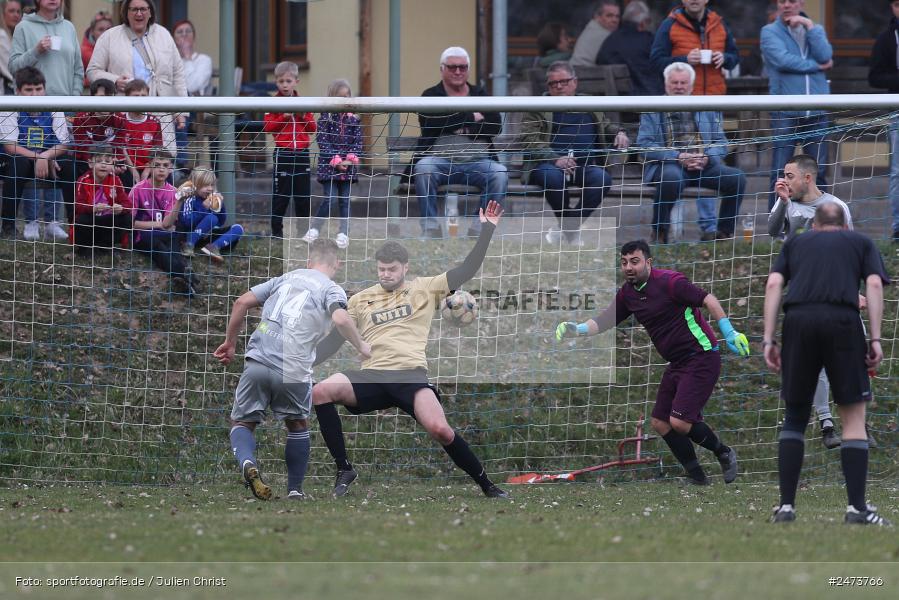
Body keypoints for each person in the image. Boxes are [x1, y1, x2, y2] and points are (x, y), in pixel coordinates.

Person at [311, 200, 510, 499]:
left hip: (410, 377)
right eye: (381, 269)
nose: (386, 274)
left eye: (392, 269)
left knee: (441, 430)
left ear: (406, 267)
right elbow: (333, 341)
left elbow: (467, 269)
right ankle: (344, 468)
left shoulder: (425, 288)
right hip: (373, 375)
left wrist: (487, 231)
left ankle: (487, 485)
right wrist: (300, 362)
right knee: (320, 392)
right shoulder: (360, 300)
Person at [556, 239, 748, 485]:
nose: (628, 267)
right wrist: (577, 329)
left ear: (648, 262)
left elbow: (709, 299)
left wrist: (729, 332)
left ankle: (724, 452)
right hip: (677, 363)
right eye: (624, 262)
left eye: (634, 261)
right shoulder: (628, 294)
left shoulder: (670, 282)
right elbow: (605, 320)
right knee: (660, 422)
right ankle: (698, 479)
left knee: (680, 422)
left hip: (701, 356)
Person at [214, 238, 371, 501]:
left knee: (242, 422)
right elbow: (341, 318)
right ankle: (295, 490)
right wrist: (361, 345)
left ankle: (247, 462)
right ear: (337, 264)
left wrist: (230, 343)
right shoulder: (332, 289)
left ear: (309, 262)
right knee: (297, 426)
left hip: (258, 361)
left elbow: (241, 302)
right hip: (293, 369)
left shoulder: (285, 278)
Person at [763, 203, 890, 526]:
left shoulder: (796, 242)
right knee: (853, 417)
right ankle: (857, 509)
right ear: (844, 225)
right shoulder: (860, 242)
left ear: (815, 225)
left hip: (799, 321)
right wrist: (876, 338)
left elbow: (774, 284)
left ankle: (786, 507)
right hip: (843, 321)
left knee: (795, 415)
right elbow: (874, 285)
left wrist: (768, 339)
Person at [519, 61, 629, 245]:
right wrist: (555, 159)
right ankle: (571, 233)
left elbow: (606, 126)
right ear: (548, 86)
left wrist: (619, 132)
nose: (559, 86)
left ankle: (567, 228)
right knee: (553, 178)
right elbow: (529, 140)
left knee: (602, 179)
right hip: (548, 165)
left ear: (575, 82)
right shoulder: (537, 107)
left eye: (564, 81)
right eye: (553, 83)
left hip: (585, 165)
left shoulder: (589, 103)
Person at [635, 62, 746, 243]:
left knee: (737, 178)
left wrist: (707, 157)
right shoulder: (653, 108)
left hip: (703, 166)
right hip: (669, 165)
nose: (679, 87)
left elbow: (722, 142)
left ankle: (723, 233)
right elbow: (644, 145)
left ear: (691, 85)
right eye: (674, 83)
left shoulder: (705, 106)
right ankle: (660, 232)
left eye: (683, 83)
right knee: (671, 179)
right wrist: (677, 156)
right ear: (666, 84)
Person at [413, 47, 507, 238]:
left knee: (500, 174)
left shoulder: (480, 94)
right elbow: (430, 123)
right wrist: (471, 117)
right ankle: (430, 229)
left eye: (462, 67)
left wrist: (459, 125)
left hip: (478, 163)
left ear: (468, 70)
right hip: (440, 161)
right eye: (452, 67)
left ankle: (480, 230)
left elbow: (495, 126)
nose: (458, 71)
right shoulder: (431, 95)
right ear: (442, 69)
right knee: (423, 168)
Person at [86, 0, 187, 161]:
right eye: (133, 9)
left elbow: (178, 74)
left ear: (150, 12)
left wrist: (181, 110)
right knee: (126, 163)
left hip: (160, 110)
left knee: (161, 165)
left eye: (143, 9)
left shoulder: (163, 35)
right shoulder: (109, 37)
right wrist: (115, 80)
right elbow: (92, 71)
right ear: (126, 12)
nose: (139, 14)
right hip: (124, 114)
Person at [761, 0, 833, 210]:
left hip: (817, 110)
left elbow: (825, 55)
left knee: (818, 171)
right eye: (782, 1)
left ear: (801, 3)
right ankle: (777, 222)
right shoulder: (769, 31)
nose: (787, 5)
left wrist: (810, 27)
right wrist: (817, 66)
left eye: (792, 1)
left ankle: (821, 220)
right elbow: (782, 60)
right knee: (780, 172)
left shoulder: (815, 29)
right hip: (786, 111)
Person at [0, 65, 74, 239]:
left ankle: (76, 226)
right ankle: (8, 227)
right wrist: (39, 156)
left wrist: (46, 156)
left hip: (48, 160)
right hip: (16, 161)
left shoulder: (54, 106)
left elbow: (64, 144)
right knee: (18, 163)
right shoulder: (9, 107)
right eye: (29, 90)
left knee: (69, 165)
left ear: (44, 89)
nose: (35, 94)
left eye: (38, 89)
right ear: (18, 91)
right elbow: (10, 147)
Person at [303, 78, 361, 250]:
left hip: (348, 168)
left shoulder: (354, 120)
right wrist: (335, 160)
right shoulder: (325, 119)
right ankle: (314, 229)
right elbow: (323, 141)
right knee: (330, 198)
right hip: (329, 167)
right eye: (340, 96)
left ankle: (343, 233)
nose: (344, 100)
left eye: (347, 96)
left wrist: (350, 159)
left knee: (345, 201)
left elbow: (358, 141)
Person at [129, 149, 197, 296]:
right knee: (158, 244)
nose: (161, 169)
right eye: (157, 165)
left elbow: (167, 224)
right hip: (142, 236)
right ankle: (185, 274)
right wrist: (158, 224)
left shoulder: (173, 191)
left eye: (165, 165)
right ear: (149, 167)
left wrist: (179, 201)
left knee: (172, 243)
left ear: (171, 168)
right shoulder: (138, 189)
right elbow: (130, 223)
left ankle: (185, 283)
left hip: (165, 234)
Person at [263, 61, 316, 239]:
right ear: (276, 82)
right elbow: (268, 127)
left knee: (303, 196)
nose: (285, 85)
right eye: (281, 81)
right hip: (283, 153)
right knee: (281, 195)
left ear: (296, 82)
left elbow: (312, 128)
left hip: (302, 154)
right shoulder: (273, 103)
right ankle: (277, 232)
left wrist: (302, 115)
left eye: (288, 81)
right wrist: (284, 117)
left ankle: (303, 232)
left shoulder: (303, 103)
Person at [650, 0, 739, 96]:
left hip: (715, 97)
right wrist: (685, 60)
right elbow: (656, 62)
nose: (694, 0)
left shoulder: (719, 24)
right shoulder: (669, 25)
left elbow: (735, 57)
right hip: (683, 99)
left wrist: (724, 58)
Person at [867, 0, 899, 243]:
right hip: (897, 110)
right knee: (898, 172)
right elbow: (875, 77)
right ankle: (898, 228)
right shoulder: (886, 39)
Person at [8, 0, 82, 97]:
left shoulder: (69, 27)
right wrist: (36, 51)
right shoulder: (23, 27)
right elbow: (13, 68)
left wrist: (75, 97)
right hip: (35, 101)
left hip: (66, 101)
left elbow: (78, 69)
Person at [596, 0, 663, 96]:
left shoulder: (610, 41)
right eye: (648, 22)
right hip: (650, 97)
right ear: (643, 23)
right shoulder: (649, 41)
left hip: (619, 99)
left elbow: (599, 61)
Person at [176, 166, 243, 262]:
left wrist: (220, 206)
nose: (210, 189)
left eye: (212, 185)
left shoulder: (212, 199)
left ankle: (213, 247)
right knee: (212, 218)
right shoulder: (189, 199)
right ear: (194, 185)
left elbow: (221, 222)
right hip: (190, 235)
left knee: (238, 228)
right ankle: (188, 245)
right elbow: (186, 222)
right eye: (205, 185)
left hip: (207, 236)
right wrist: (203, 208)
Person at [72, 145, 131, 254]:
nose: (104, 165)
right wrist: (93, 208)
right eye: (99, 161)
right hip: (91, 220)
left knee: (127, 218)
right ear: (90, 163)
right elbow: (78, 206)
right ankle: (85, 248)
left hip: (107, 219)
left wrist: (121, 208)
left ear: (112, 163)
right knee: (81, 220)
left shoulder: (116, 180)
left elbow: (127, 204)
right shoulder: (83, 180)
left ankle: (105, 246)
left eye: (107, 161)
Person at [172, 19, 212, 176]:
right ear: (174, 39)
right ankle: (170, 163)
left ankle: (180, 164)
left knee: (180, 109)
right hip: (173, 106)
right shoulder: (171, 61)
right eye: (179, 32)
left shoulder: (203, 60)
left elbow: (194, 85)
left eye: (187, 31)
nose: (184, 35)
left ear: (194, 36)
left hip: (196, 107)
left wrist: (188, 58)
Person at [72, 78, 127, 179]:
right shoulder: (81, 118)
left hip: (110, 162)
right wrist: (100, 163)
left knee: (126, 174)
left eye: (109, 97)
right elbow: (82, 150)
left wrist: (114, 161)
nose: (105, 102)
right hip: (87, 162)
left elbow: (119, 148)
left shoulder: (120, 119)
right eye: (101, 97)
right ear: (92, 98)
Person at [120, 78, 169, 189]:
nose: (140, 99)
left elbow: (157, 149)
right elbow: (121, 148)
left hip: (149, 166)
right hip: (128, 166)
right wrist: (133, 170)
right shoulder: (120, 120)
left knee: (161, 175)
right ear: (127, 98)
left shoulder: (154, 121)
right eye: (136, 96)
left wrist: (147, 170)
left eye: (143, 96)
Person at [570, 0, 620, 68]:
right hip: (585, 72)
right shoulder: (603, 34)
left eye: (617, 16)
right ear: (597, 17)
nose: (614, 20)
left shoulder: (593, 28)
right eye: (609, 16)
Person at [79, 11, 112, 82]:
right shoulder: (82, 52)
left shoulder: (118, 49)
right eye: (100, 29)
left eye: (108, 29)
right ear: (92, 31)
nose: (105, 33)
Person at [0, 0, 22, 95]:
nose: (16, 15)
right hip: (7, 90)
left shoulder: (13, 35)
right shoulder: (2, 35)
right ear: (2, 13)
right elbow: (10, 70)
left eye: (18, 12)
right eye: (11, 11)